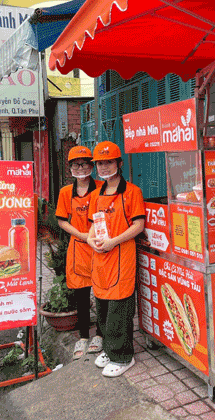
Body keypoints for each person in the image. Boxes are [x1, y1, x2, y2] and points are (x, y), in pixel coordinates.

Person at [87, 141, 145, 377]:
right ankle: (110, 351)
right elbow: (92, 226)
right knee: (102, 305)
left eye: (108, 161)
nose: (103, 167)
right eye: (99, 163)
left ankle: (123, 356)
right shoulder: (96, 194)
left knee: (119, 308)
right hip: (101, 258)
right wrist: (92, 241)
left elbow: (139, 225)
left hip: (122, 256)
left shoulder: (132, 192)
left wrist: (113, 242)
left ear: (119, 163)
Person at [55, 145, 103, 359]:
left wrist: (94, 238)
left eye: (84, 164)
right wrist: (84, 237)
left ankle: (100, 335)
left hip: (101, 246)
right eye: (76, 164)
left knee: (102, 292)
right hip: (79, 248)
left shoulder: (102, 187)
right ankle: (83, 337)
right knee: (81, 294)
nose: (81, 168)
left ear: (91, 166)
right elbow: (61, 221)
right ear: (70, 168)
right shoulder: (66, 192)